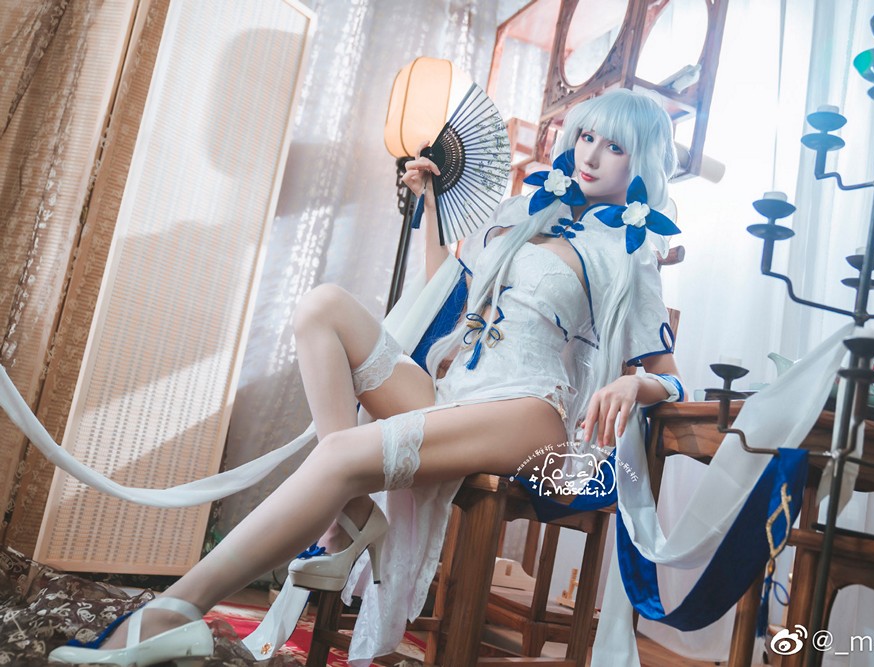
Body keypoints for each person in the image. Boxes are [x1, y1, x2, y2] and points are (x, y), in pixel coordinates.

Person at [47, 87, 686, 666]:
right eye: (586, 136)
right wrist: (430, 204)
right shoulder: (525, 213)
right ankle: (351, 508)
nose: (591, 154)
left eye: (614, 147)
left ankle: (172, 611)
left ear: (642, 163)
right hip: (456, 393)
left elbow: (673, 379)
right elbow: (448, 295)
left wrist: (634, 383)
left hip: (529, 412)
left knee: (341, 453)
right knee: (320, 307)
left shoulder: (630, 252)